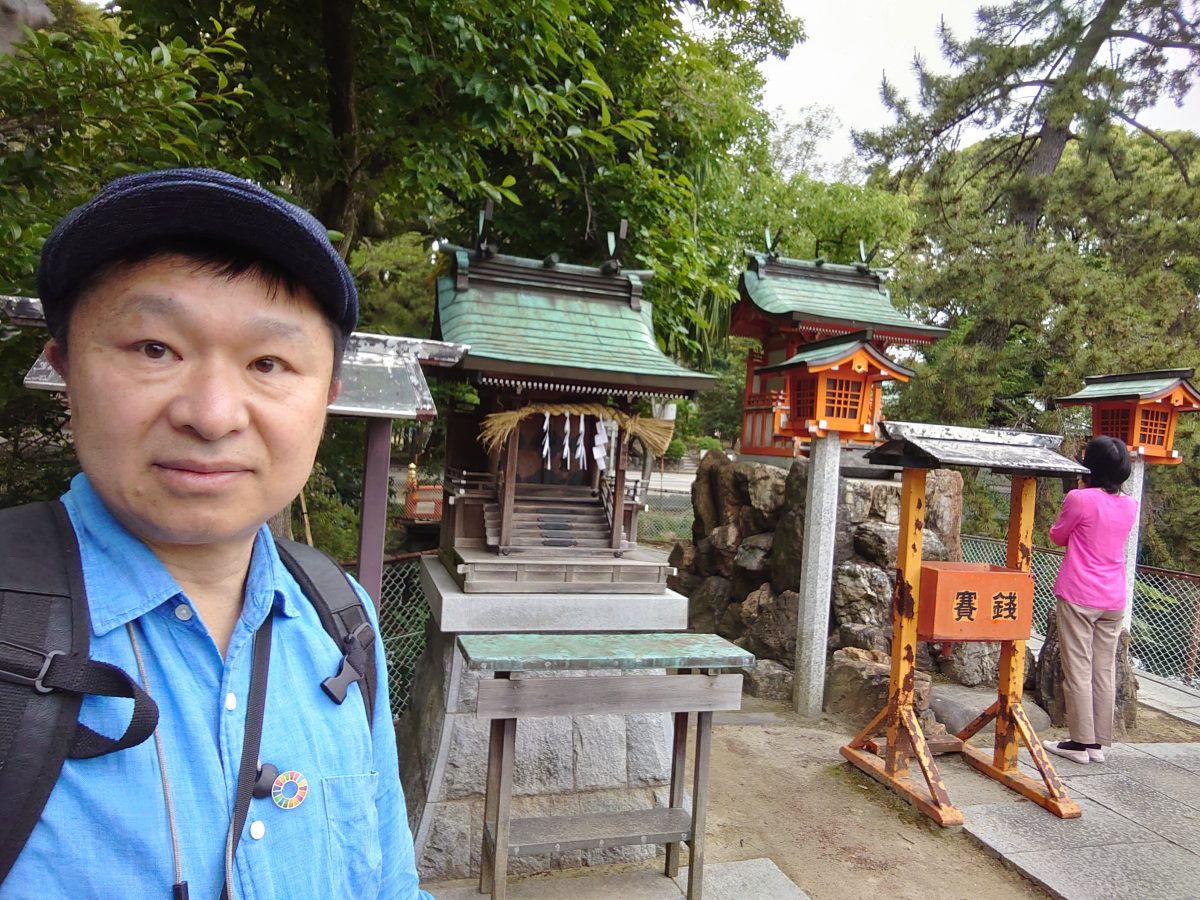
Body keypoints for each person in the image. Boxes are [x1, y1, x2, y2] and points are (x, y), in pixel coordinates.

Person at [1, 168, 432, 898]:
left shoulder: (341, 619)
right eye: (154, 349)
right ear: (64, 369)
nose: (211, 414)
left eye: (268, 363)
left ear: (326, 397)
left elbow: (391, 883)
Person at [1042, 435, 1138, 766]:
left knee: (1078, 668)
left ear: (1089, 466)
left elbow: (1057, 536)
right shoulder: (1130, 504)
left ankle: (1079, 742)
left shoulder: (1079, 498)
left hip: (1080, 594)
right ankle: (1097, 742)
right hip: (1113, 598)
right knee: (1103, 668)